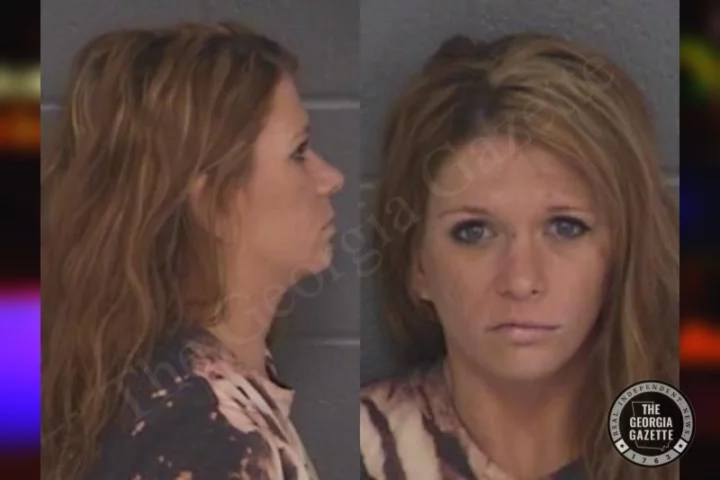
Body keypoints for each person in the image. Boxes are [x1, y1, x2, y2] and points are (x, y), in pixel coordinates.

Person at [360, 34, 678, 480]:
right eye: (474, 232)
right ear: (418, 266)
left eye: (566, 227)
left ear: (622, 252)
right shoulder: (357, 450)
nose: (522, 280)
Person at [42, 21, 344, 480]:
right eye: (299, 152)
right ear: (213, 203)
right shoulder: (211, 439)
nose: (331, 179)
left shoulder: (188, 394)